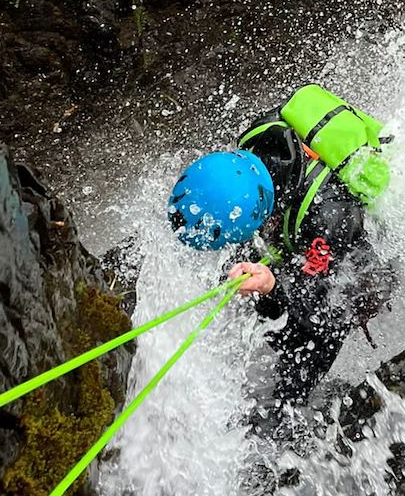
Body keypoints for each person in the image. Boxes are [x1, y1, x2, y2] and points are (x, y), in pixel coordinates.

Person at [168, 86, 393, 429]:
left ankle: (287, 409)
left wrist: (274, 284)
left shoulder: (327, 218)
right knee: (271, 287)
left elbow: (317, 296)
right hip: (306, 227)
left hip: (364, 251)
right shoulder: (254, 148)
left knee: (322, 324)